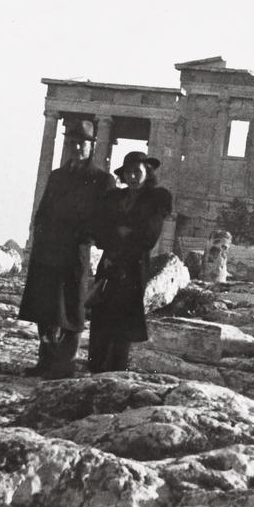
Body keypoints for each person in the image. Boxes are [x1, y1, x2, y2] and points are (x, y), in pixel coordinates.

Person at [18, 119, 115, 378]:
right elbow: (43, 210)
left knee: (72, 307)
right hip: (48, 250)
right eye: (71, 142)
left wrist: (83, 235)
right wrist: (38, 236)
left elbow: (102, 219)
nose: (76, 147)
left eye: (81, 143)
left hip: (74, 252)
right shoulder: (57, 176)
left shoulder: (102, 180)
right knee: (44, 307)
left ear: (91, 146)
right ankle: (45, 361)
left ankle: (64, 364)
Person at [85, 151, 174, 373]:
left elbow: (150, 235)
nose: (132, 177)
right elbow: (98, 229)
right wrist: (120, 233)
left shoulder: (157, 198)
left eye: (137, 172)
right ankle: (95, 366)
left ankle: (116, 368)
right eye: (128, 172)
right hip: (108, 263)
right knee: (101, 314)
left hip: (133, 266)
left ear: (147, 173)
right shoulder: (113, 198)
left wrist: (120, 232)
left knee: (123, 319)